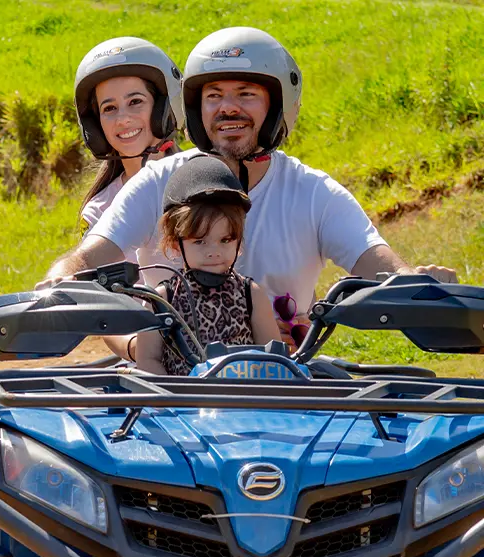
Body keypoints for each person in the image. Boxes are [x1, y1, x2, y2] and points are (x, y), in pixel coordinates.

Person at [43, 27, 457, 357]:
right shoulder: (155, 182)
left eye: (246, 94)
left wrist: (411, 280)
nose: (228, 108)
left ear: (278, 105)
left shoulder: (315, 192)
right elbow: (93, 255)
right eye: (214, 95)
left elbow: (375, 261)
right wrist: (59, 279)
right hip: (168, 387)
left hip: (282, 384)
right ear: (195, 109)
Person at [135, 154, 280, 373]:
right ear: (176, 244)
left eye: (225, 240)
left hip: (243, 401)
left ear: (238, 242)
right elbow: (147, 360)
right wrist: (175, 399)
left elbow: (273, 357)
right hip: (183, 404)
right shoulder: (163, 299)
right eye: (200, 241)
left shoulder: (251, 294)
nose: (214, 252)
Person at [75, 37, 183, 281]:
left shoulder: (205, 179)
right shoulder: (99, 210)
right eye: (109, 108)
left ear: (164, 108)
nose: (122, 119)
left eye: (135, 102)